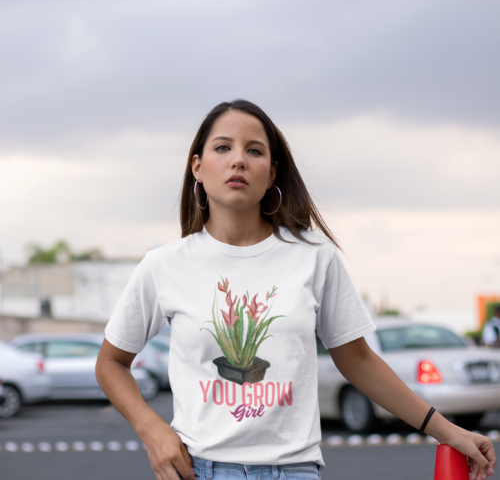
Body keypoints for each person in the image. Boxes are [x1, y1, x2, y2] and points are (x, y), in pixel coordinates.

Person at [95, 100, 496, 480]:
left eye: (254, 151)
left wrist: (447, 431)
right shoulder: (165, 265)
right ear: (197, 167)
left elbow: (359, 361)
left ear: (271, 174)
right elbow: (111, 362)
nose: (238, 159)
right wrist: (153, 431)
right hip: (200, 468)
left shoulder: (314, 257)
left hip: (294, 470)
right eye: (223, 147)